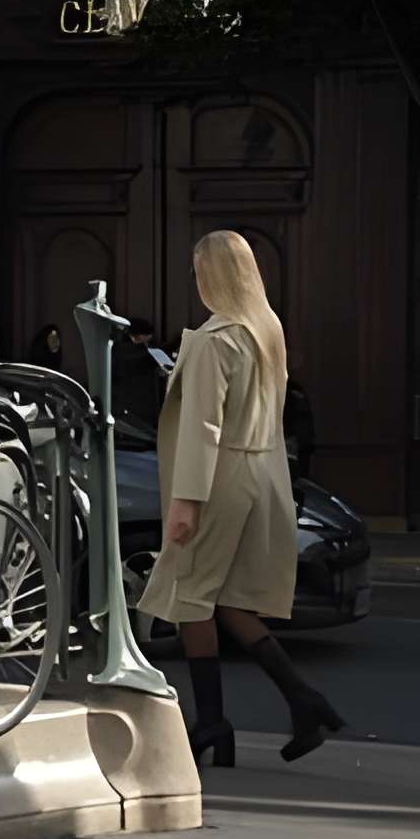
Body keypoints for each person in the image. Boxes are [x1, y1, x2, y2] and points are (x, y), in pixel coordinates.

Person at [134, 231, 343, 768]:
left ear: (212, 276)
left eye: (197, 269)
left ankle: (213, 721)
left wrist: (186, 501)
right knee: (227, 601)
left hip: (220, 476)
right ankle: (303, 702)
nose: (195, 280)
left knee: (190, 597)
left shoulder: (214, 339)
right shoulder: (264, 328)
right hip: (260, 472)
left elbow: (204, 427)